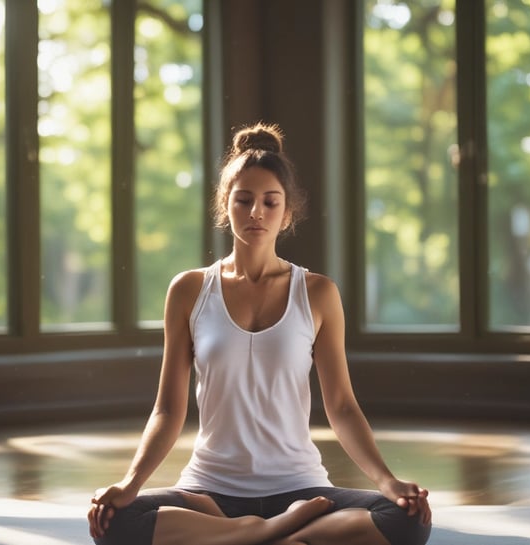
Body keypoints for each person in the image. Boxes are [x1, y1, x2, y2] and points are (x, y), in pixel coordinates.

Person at [88, 122, 432, 545]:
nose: (256, 213)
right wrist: (130, 483)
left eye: (270, 202)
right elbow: (167, 411)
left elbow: (341, 405)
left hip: (302, 487)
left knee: (407, 521)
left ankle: (236, 538)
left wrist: (388, 482)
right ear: (225, 204)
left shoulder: (318, 292)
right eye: (244, 200)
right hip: (208, 489)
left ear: (287, 213)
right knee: (115, 521)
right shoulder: (189, 290)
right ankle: (272, 534)